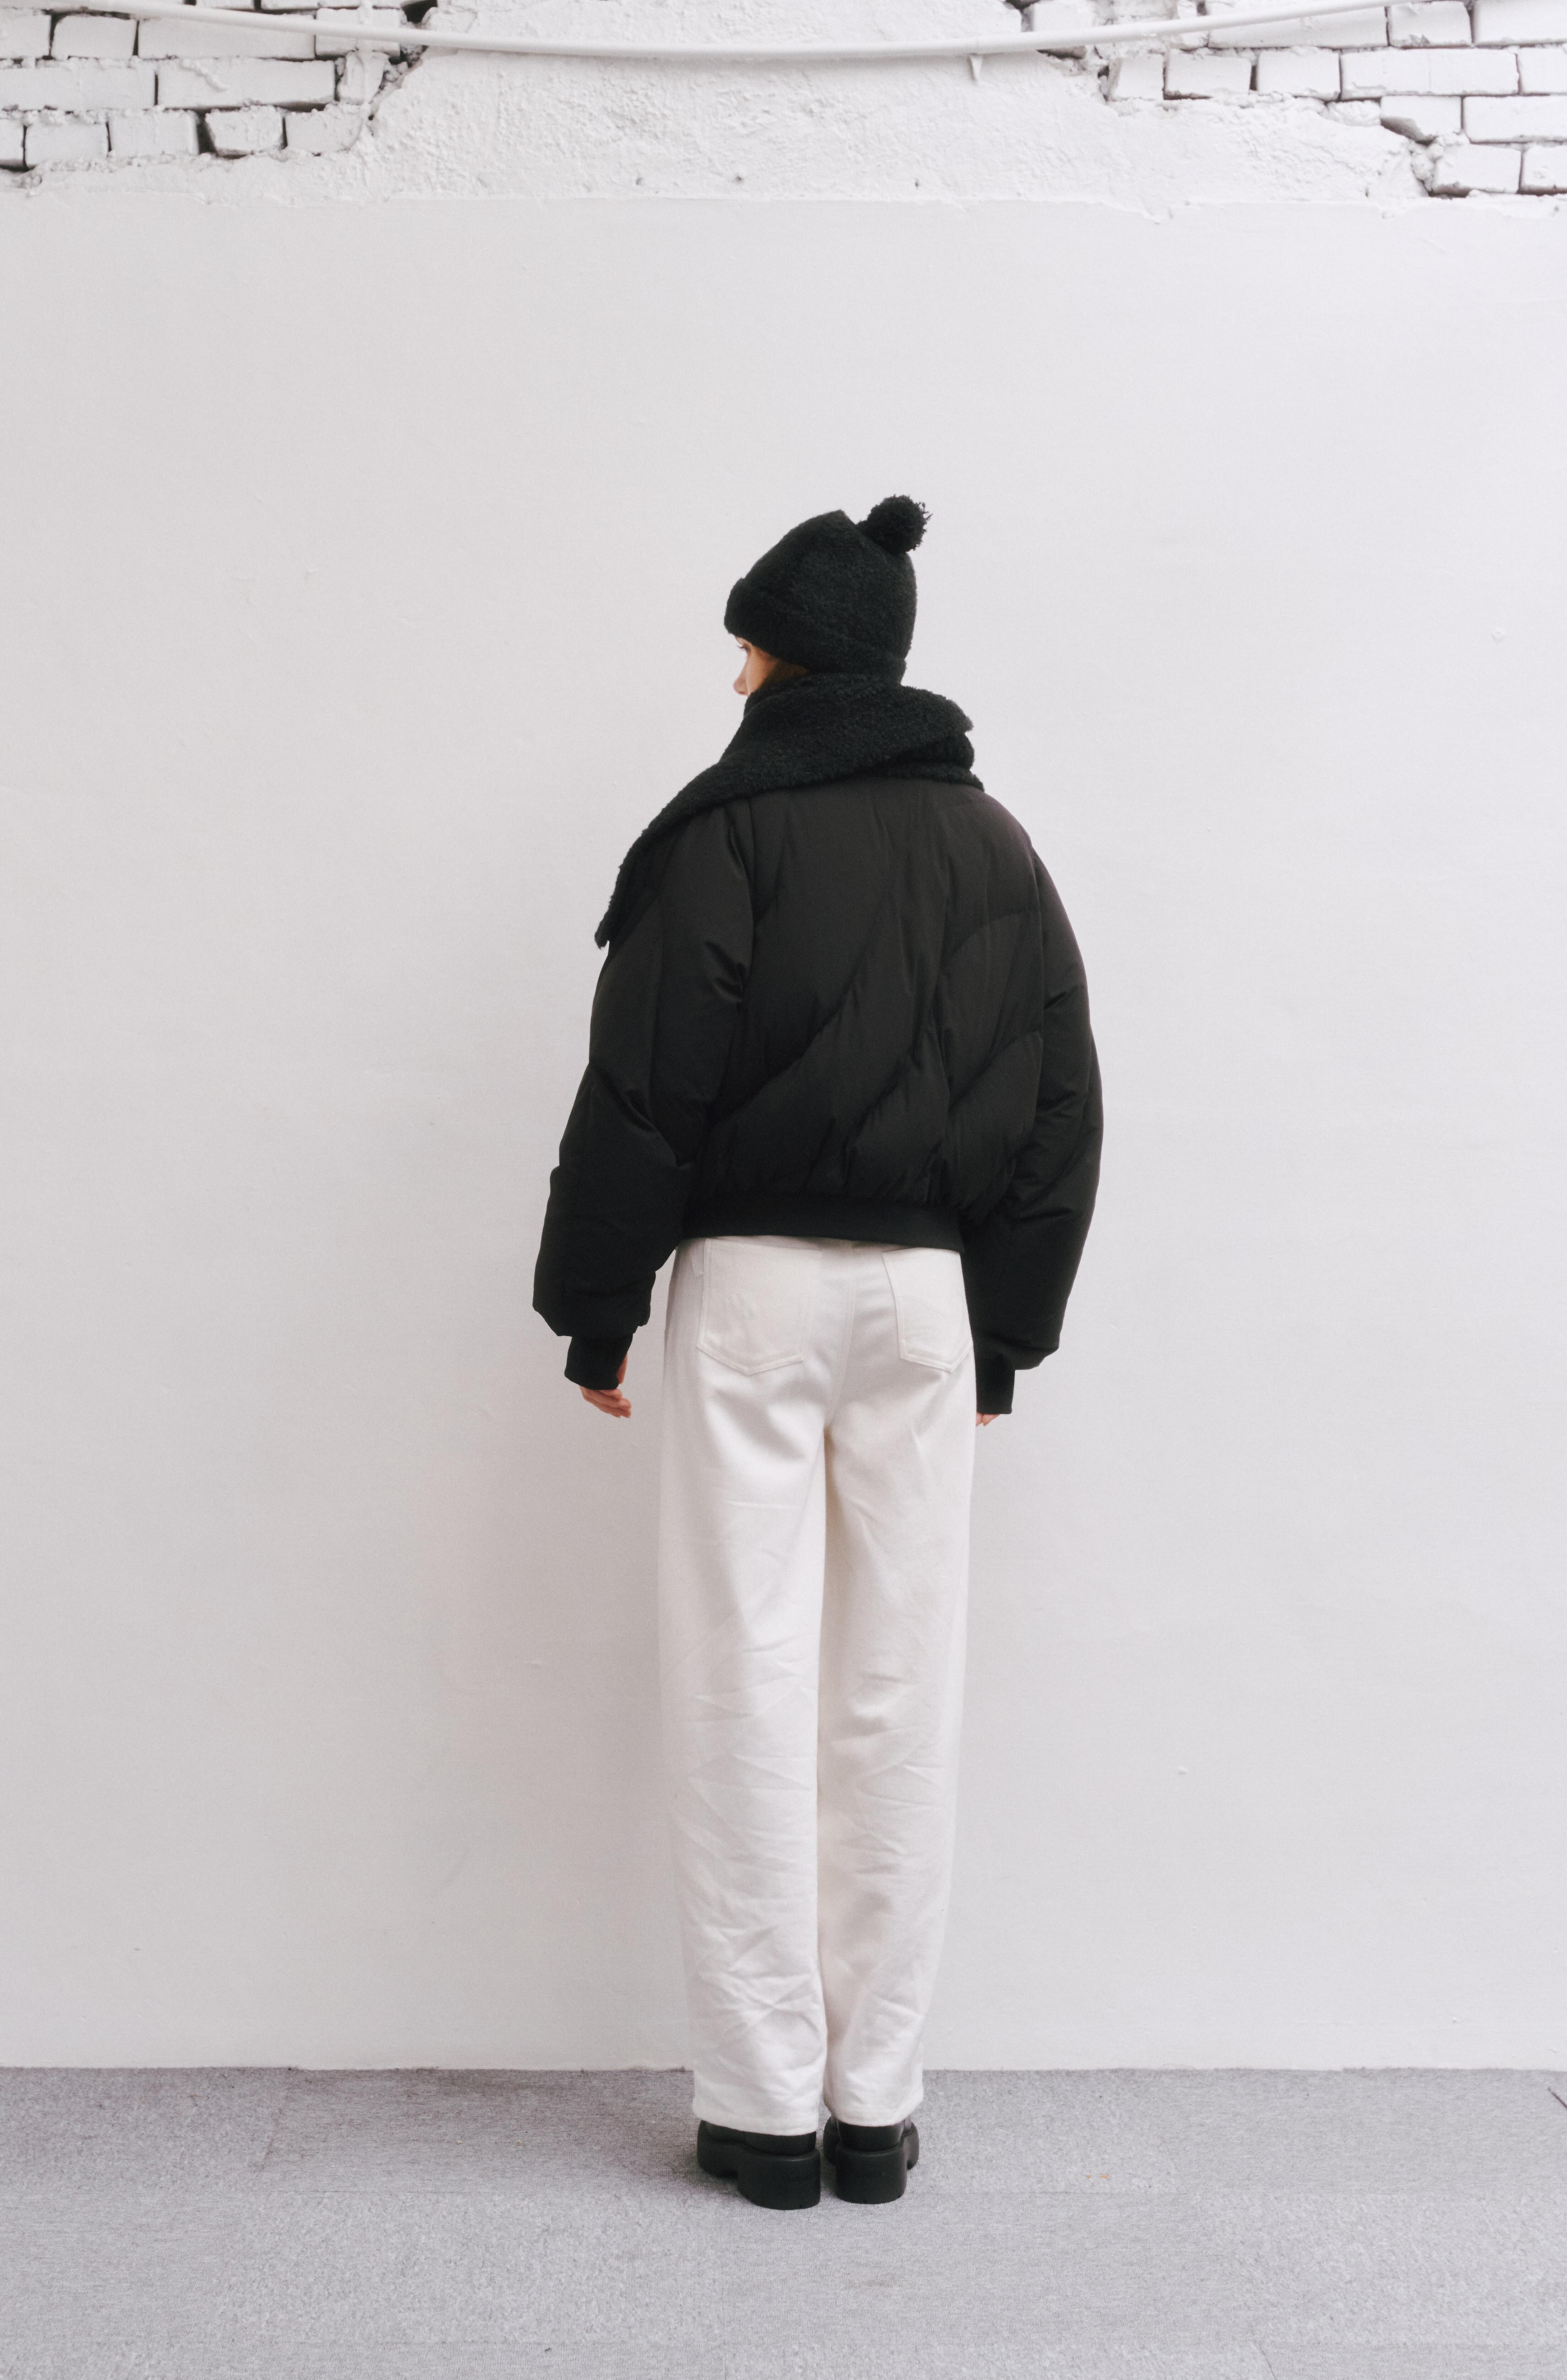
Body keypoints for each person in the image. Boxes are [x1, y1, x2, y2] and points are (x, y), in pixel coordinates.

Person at [534, 497, 1102, 2209]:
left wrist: (596, 1302)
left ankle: (763, 2110)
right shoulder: (997, 845)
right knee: (896, 1687)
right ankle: (875, 2104)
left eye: (749, 646)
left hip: (757, 1291)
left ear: (797, 658)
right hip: (924, 1301)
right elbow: (1060, 1103)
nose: (734, 675)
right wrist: (1003, 1329)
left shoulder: (728, 830)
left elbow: (647, 1079)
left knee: (743, 1668)